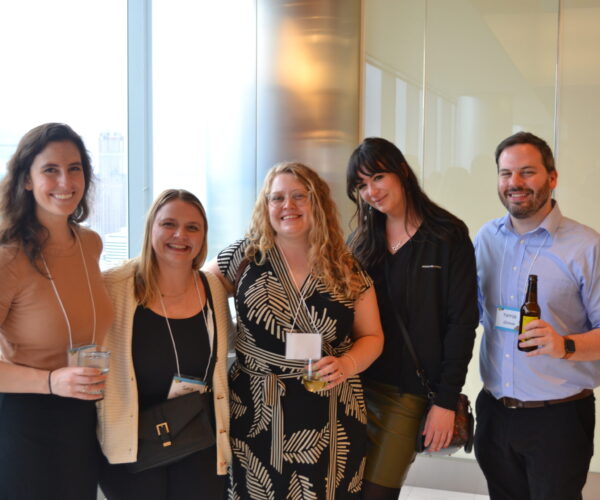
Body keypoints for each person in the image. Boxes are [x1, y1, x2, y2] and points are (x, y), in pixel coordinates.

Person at [205, 162, 384, 500]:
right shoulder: (243, 257)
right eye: (277, 198)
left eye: (299, 196)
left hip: (330, 410)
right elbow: (192, 292)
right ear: (265, 206)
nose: (288, 205)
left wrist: (346, 365)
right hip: (255, 408)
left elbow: (373, 337)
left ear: (316, 202)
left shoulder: (346, 268)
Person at [346, 137, 478, 500]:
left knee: (377, 492)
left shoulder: (447, 235)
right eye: (361, 185)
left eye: (377, 177)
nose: (371, 191)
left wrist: (445, 402)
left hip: (407, 395)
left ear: (402, 171)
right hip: (354, 387)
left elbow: (462, 323)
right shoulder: (360, 243)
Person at [474, 131, 600, 500]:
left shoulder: (586, 246)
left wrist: (564, 344)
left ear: (552, 177)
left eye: (527, 172)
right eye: (506, 173)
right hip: (495, 413)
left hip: (558, 418)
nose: (515, 183)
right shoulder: (486, 238)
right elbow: (474, 314)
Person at [0, 123, 113, 499]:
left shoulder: (91, 243)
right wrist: (50, 382)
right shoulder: (8, 257)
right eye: (50, 169)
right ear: (27, 180)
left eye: (75, 167)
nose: (65, 180)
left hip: (82, 419)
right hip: (25, 423)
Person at [97, 189, 232, 499]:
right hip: (134, 446)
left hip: (200, 442)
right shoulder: (114, 286)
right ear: (151, 228)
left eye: (192, 227)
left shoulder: (212, 287)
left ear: (202, 237)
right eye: (169, 224)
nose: (180, 235)